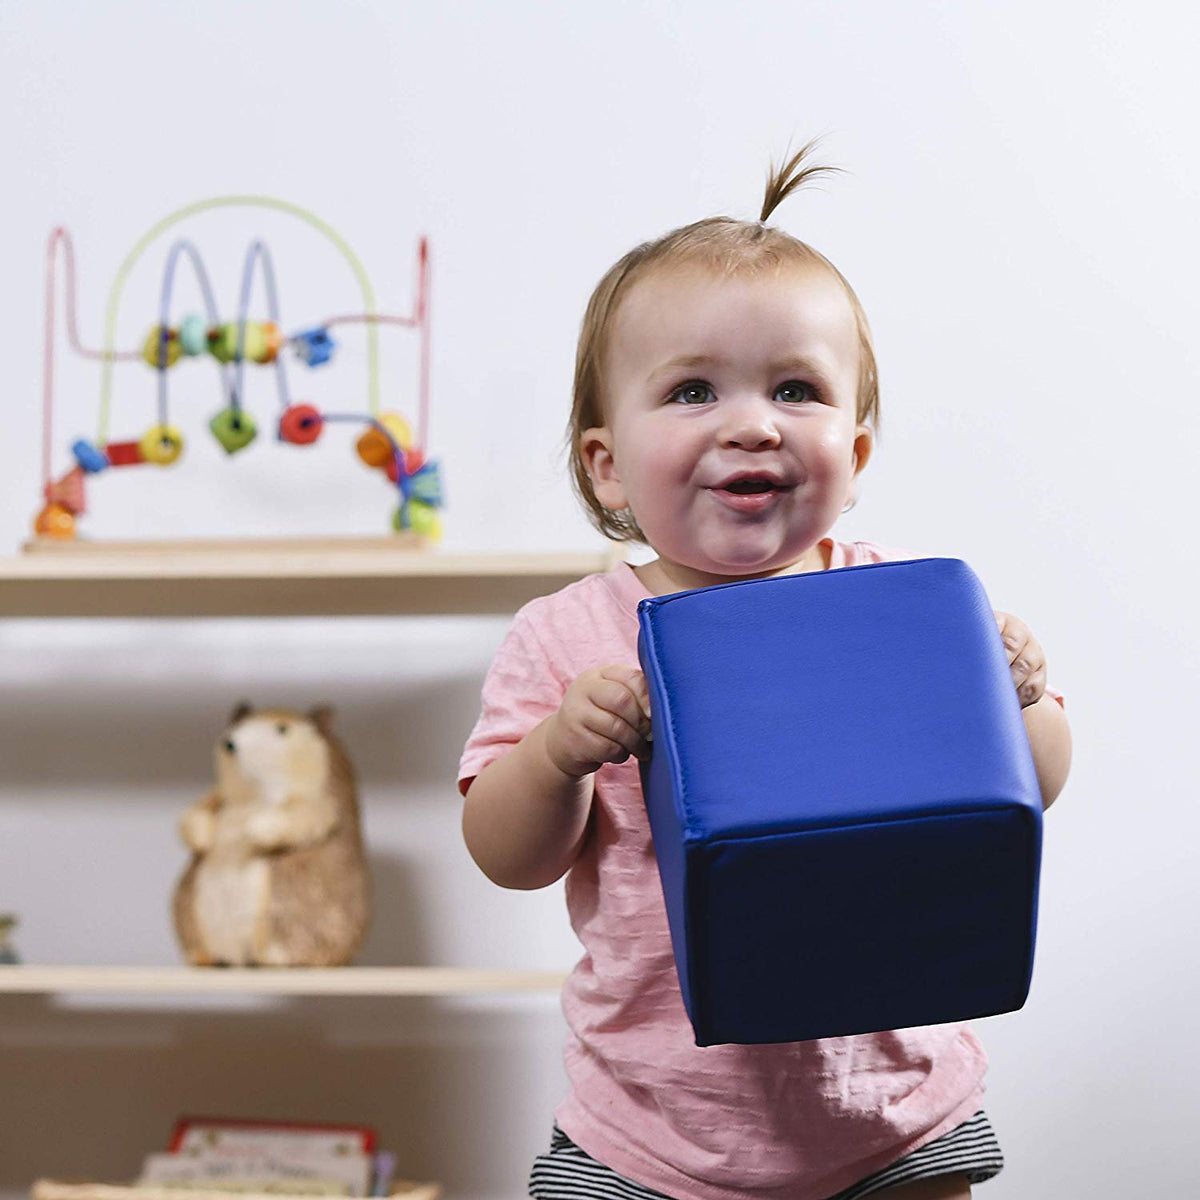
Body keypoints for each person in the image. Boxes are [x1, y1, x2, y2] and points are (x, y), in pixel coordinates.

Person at [457, 137, 1073, 1200]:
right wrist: (558, 753)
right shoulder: (567, 634)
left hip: (892, 1117)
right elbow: (505, 855)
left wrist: (1015, 693)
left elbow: (1035, 786)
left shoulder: (905, 602)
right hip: (649, 1132)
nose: (751, 425)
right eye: (693, 390)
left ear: (856, 454)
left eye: (796, 389)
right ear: (606, 467)